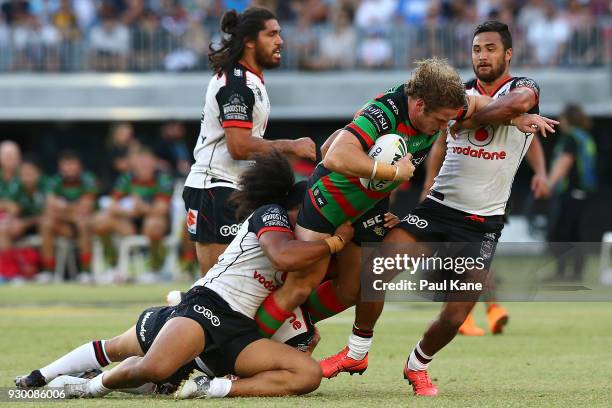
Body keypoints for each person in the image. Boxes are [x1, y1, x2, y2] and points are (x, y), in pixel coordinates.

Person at [319, 21, 557, 396]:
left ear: (507, 54)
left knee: (456, 315)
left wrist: (507, 116)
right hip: (438, 206)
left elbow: (519, 105)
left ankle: (418, 366)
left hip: (483, 222)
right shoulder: (455, 94)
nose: (483, 55)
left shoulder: (523, 88)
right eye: (477, 48)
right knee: (377, 268)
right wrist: (491, 120)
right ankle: (357, 350)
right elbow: (445, 141)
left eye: (491, 48)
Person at [18, 151, 353, 399]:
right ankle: (87, 386)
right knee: (152, 367)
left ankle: (213, 387)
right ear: (300, 208)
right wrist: (336, 242)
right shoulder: (273, 213)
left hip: (240, 330)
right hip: (208, 307)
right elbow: (283, 256)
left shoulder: (306, 243)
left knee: (307, 374)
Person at [252, 58, 496, 342]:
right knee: (301, 284)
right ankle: (242, 350)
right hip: (330, 200)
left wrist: (516, 117)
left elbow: (478, 103)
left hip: (368, 207)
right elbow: (334, 155)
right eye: (441, 120)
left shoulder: (441, 103)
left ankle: (290, 329)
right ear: (419, 106)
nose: (445, 127)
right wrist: (393, 172)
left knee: (353, 289)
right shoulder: (384, 113)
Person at [183, 7, 315, 276]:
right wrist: (292, 145)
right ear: (249, 41)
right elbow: (239, 146)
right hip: (215, 189)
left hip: (235, 189)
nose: (280, 41)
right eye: (272, 34)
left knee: (246, 281)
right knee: (215, 286)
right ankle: (162, 318)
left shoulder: (250, 80)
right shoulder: (236, 84)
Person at [92, 147, 173, 272]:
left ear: (154, 163)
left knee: (153, 223)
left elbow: (161, 209)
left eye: (147, 163)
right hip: (130, 224)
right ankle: (113, 263)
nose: (144, 166)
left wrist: (143, 208)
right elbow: (111, 204)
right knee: (99, 220)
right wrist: (128, 211)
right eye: (141, 163)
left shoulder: (163, 179)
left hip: (157, 224)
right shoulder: (127, 178)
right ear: (135, 164)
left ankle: (155, 267)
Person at [546, 103, 597, 281]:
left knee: (561, 232)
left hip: (570, 192)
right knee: (575, 233)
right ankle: (576, 273)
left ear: (566, 118)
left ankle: (562, 273)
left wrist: (548, 184)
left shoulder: (570, 138)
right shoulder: (585, 137)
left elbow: (564, 163)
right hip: (583, 192)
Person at [40, 151, 98, 277]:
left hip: (88, 227)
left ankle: (86, 272)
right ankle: (48, 272)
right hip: (66, 226)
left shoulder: (88, 179)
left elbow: (86, 207)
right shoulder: (54, 181)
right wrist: (72, 211)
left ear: (79, 166)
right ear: (60, 167)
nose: (69, 168)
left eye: (72, 164)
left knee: (83, 223)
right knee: (46, 223)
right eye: (66, 165)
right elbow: (50, 207)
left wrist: (63, 207)